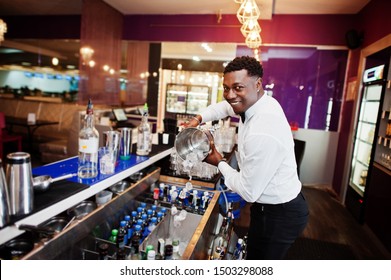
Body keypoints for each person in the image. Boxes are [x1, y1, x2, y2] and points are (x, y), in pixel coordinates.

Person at [185, 56, 309, 260]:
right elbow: (225, 106)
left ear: (258, 84)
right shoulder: (258, 102)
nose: (230, 95)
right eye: (226, 88)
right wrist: (198, 119)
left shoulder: (263, 129)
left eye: (238, 87)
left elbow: (248, 192)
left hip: (280, 213)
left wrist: (219, 162)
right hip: (268, 207)